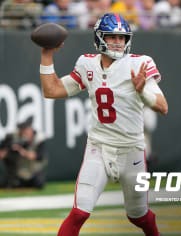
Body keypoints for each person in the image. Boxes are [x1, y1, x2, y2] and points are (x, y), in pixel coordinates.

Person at [38, 13, 167, 236]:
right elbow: (52, 90)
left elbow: (162, 107)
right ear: (100, 38)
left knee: (139, 216)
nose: (118, 42)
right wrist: (47, 55)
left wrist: (142, 90)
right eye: (112, 37)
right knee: (79, 213)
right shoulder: (87, 63)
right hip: (99, 147)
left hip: (131, 150)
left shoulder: (140, 63)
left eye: (122, 37)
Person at [0, 118, 47, 189]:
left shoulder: (39, 138)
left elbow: (39, 156)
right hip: (16, 171)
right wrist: (8, 150)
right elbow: (2, 153)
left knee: (39, 183)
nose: (23, 133)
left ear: (30, 130)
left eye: (25, 130)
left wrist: (22, 151)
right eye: (21, 130)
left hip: (32, 171)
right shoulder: (12, 137)